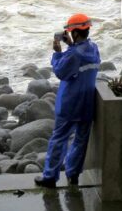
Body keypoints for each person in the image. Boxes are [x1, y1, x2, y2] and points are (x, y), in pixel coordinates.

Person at [35, 13, 101, 188]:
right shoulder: (94, 48)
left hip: (70, 103)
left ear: (76, 33)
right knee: (81, 140)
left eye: (71, 33)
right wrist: (70, 45)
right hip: (87, 103)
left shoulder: (73, 55)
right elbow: (80, 56)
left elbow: (61, 72)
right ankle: (73, 175)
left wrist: (57, 53)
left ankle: (50, 176)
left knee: (59, 139)